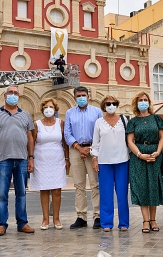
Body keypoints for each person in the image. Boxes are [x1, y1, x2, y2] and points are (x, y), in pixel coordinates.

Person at [0, 85, 35, 236]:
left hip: (21, 160)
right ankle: (2, 224)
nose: (13, 95)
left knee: (21, 193)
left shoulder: (25, 115)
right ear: (5, 95)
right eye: (10, 93)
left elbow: (30, 137)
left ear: (18, 97)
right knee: (2, 194)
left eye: (16, 93)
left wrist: (31, 158)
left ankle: (22, 223)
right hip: (2, 160)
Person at [126, 91, 163, 234]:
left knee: (153, 186)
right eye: (140, 100)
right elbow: (130, 141)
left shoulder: (156, 119)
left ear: (149, 102)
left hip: (155, 154)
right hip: (139, 156)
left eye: (145, 99)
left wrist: (158, 151)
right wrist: (140, 154)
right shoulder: (133, 121)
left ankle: (153, 219)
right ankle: (145, 220)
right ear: (136, 103)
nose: (143, 102)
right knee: (142, 187)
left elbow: (162, 137)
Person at [64, 86, 103, 229]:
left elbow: (100, 131)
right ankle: (81, 216)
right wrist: (79, 148)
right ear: (74, 98)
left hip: (94, 148)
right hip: (76, 149)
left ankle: (98, 216)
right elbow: (67, 133)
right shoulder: (69, 113)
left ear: (88, 96)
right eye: (79, 95)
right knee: (79, 185)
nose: (81, 98)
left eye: (83, 95)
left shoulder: (97, 111)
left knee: (95, 184)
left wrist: (90, 150)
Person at [91, 95, 130, 232]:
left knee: (122, 193)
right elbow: (95, 143)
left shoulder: (124, 120)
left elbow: (129, 140)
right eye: (108, 103)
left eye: (113, 103)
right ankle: (106, 223)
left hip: (122, 161)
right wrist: (95, 159)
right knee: (106, 193)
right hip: (104, 162)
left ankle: (124, 223)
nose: (111, 105)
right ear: (104, 106)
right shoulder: (99, 122)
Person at [30, 98, 69, 230]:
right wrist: (31, 158)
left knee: (57, 190)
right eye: (46, 106)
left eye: (51, 107)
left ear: (55, 109)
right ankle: (45, 219)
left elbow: (65, 142)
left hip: (57, 159)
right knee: (44, 189)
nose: (48, 109)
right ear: (42, 109)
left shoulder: (61, 123)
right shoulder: (36, 124)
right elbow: (32, 141)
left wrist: (67, 159)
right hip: (41, 159)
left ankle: (56, 218)